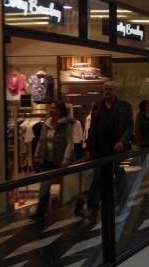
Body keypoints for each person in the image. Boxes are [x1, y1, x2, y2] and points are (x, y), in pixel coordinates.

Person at [81, 81, 134, 220]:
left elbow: (129, 126)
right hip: (100, 150)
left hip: (117, 151)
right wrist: (89, 147)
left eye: (110, 89)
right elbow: (92, 128)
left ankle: (123, 205)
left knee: (119, 177)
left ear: (116, 91)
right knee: (97, 178)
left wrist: (122, 142)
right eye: (105, 89)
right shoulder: (97, 106)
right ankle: (93, 208)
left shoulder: (124, 106)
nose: (107, 91)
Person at [33, 100, 73, 221]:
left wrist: (66, 159)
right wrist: (36, 156)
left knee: (71, 186)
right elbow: (41, 141)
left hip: (61, 161)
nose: (51, 110)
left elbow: (69, 143)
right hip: (47, 160)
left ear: (60, 111)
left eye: (54, 108)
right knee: (44, 187)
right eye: (50, 108)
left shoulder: (66, 125)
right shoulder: (46, 124)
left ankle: (79, 204)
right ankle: (40, 213)